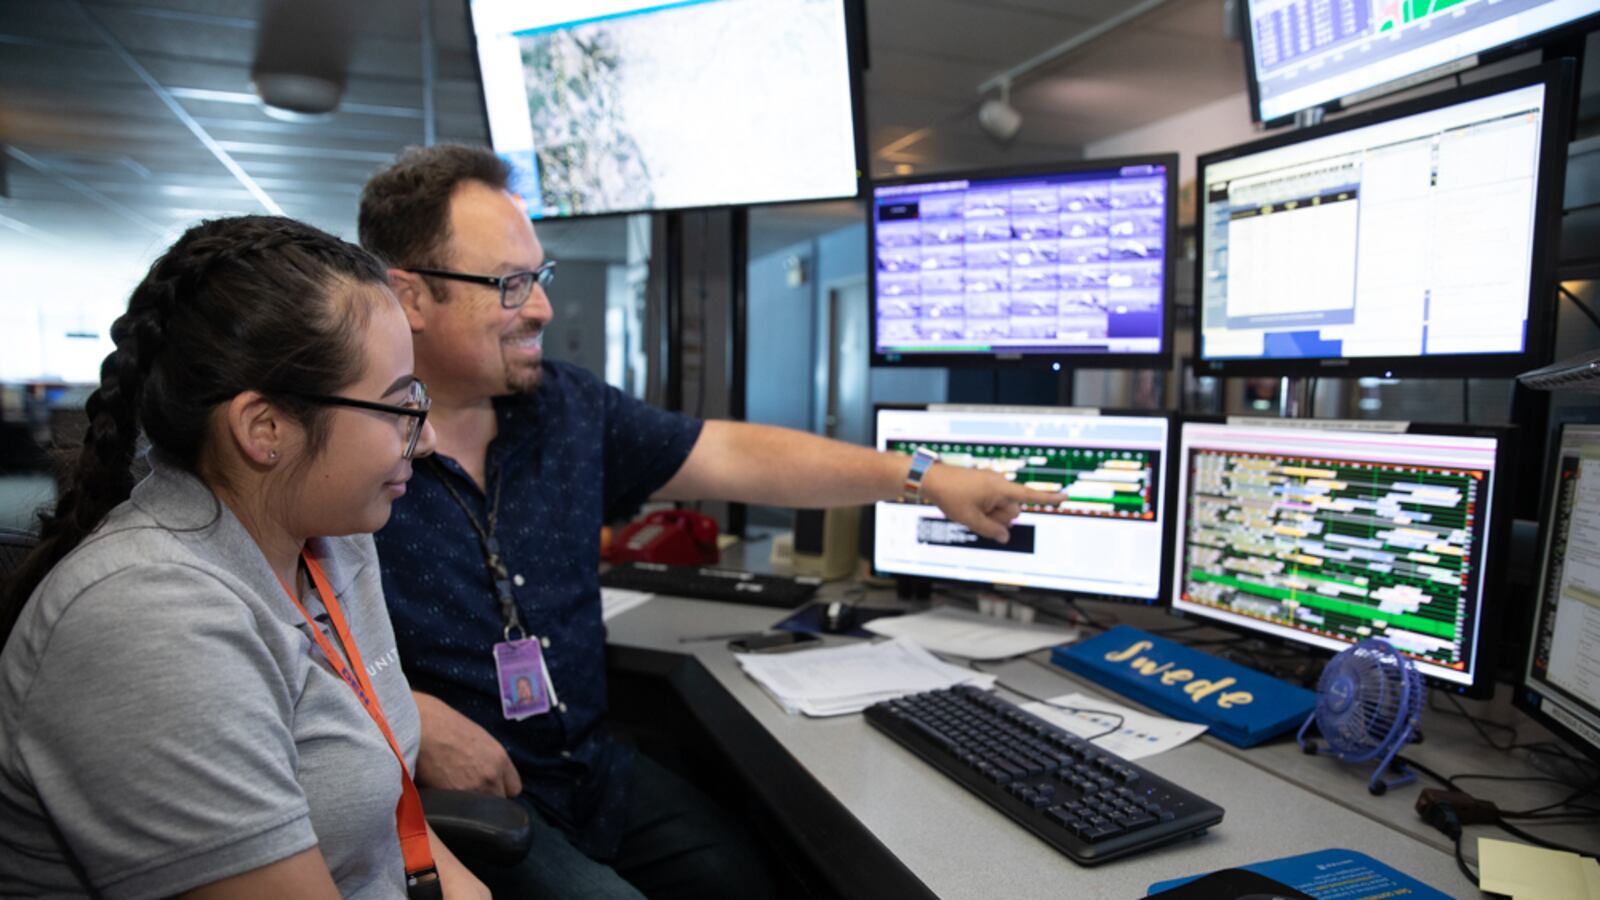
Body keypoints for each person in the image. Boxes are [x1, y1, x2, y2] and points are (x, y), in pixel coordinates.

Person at [359, 144, 1051, 899]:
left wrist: (924, 476)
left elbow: (732, 455)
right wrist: (411, 719)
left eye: (541, 277)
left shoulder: (568, 408)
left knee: (747, 877)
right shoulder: (340, 445)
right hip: (465, 805)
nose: (542, 307)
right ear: (411, 296)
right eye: (510, 284)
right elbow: (269, 644)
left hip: (588, 769)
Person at [0, 216, 488, 899]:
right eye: (398, 408)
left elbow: (387, 823)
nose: (428, 438)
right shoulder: (148, 625)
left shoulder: (333, 538)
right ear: (266, 429)